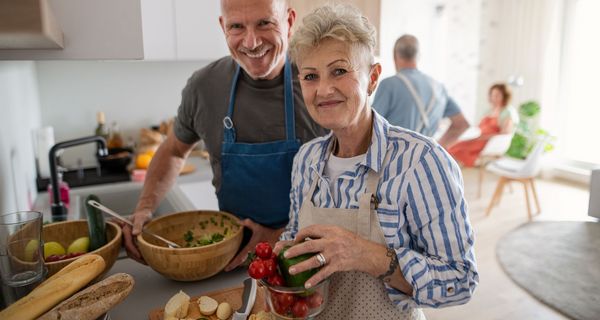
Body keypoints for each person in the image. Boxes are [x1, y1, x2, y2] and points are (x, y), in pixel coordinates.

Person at [274, 4, 478, 319]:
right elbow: (294, 236)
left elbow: (460, 279)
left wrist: (369, 256)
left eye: (339, 70)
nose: (324, 89)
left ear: (372, 77)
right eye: (311, 76)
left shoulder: (422, 162)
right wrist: (277, 266)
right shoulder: (306, 159)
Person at [122, 0, 326, 270]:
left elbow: (351, 188)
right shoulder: (204, 87)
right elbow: (173, 150)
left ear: (288, 23)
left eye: (264, 23)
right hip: (230, 263)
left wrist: (280, 235)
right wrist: (144, 208)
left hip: (308, 261)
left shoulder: (320, 85)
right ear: (223, 27)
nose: (251, 42)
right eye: (237, 27)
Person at [372, 34, 469, 149]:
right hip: (425, 162)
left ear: (394, 55)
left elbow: (371, 127)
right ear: (418, 56)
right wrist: (437, 148)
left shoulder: (389, 85)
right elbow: (461, 124)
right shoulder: (438, 88)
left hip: (394, 161)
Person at [448, 83, 518, 167]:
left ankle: (457, 167)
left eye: (497, 95)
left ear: (505, 96)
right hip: (477, 138)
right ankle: (455, 166)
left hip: (488, 142)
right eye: (492, 95)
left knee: (455, 148)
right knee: (452, 145)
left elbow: (505, 133)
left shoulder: (508, 112)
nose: (494, 98)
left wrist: (485, 137)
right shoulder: (489, 110)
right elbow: (479, 126)